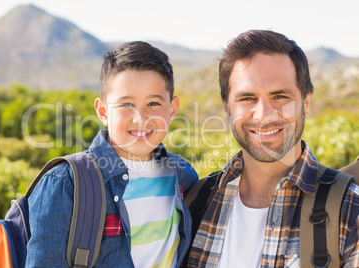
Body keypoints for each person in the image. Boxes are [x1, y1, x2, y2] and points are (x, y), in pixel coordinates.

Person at [186, 30, 359, 267]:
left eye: (279, 96)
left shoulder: (350, 210)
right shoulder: (194, 201)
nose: (264, 114)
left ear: (305, 104)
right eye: (247, 98)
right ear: (227, 108)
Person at [26, 41, 198, 267]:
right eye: (126, 104)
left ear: (172, 109)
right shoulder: (64, 184)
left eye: (154, 103)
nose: (140, 118)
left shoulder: (183, 176)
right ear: (103, 112)